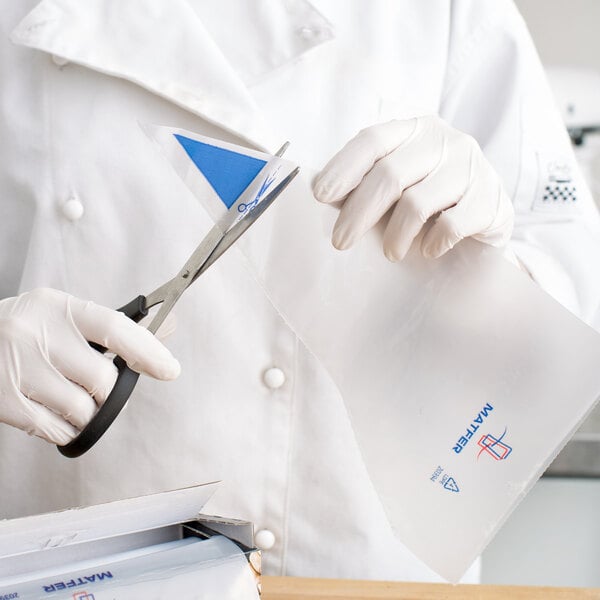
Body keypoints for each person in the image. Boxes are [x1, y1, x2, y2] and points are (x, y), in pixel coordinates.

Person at [1, 0, 599, 583]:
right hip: (81, 567)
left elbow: (578, 291)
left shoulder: (444, 11)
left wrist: (494, 275)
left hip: (368, 567)